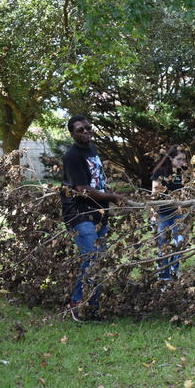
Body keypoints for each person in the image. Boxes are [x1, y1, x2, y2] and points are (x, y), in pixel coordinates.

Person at [61, 115, 123, 322]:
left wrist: (109, 194)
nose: (86, 131)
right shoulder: (72, 156)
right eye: (80, 129)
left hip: (99, 213)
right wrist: (113, 197)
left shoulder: (92, 149)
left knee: (99, 260)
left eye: (88, 127)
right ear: (72, 133)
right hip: (79, 213)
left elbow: (97, 182)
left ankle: (93, 306)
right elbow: (83, 189)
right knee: (92, 257)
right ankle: (77, 303)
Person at [151, 145, 187, 281]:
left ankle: (173, 271)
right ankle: (164, 277)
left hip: (177, 213)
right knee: (163, 245)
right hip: (163, 213)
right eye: (179, 159)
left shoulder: (181, 172)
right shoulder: (159, 172)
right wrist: (153, 214)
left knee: (180, 243)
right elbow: (154, 194)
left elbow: (183, 191)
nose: (182, 162)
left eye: (184, 159)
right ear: (170, 158)